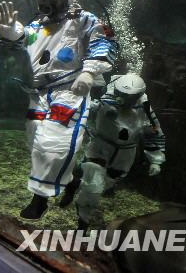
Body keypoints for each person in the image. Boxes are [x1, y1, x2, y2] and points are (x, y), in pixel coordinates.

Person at [0, 0, 118, 220]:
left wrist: (88, 72)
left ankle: (39, 199)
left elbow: (103, 41)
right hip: (38, 93)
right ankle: (70, 180)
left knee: (54, 142)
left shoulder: (85, 19)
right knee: (36, 139)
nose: (49, 3)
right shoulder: (37, 26)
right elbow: (19, 40)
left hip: (69, 90)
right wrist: (8, 29)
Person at [62, 74, 166, 231]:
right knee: (93, 186)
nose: (124, 99)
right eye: (121, 95)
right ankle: (82, 224)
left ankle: (75, 181)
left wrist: (156, 159)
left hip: (125, 155)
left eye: (129, 97)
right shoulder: (106, 99)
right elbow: (83, 109)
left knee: (106, 183)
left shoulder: (144, 108)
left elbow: (153, 132)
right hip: (100, 147)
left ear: (138, 96)